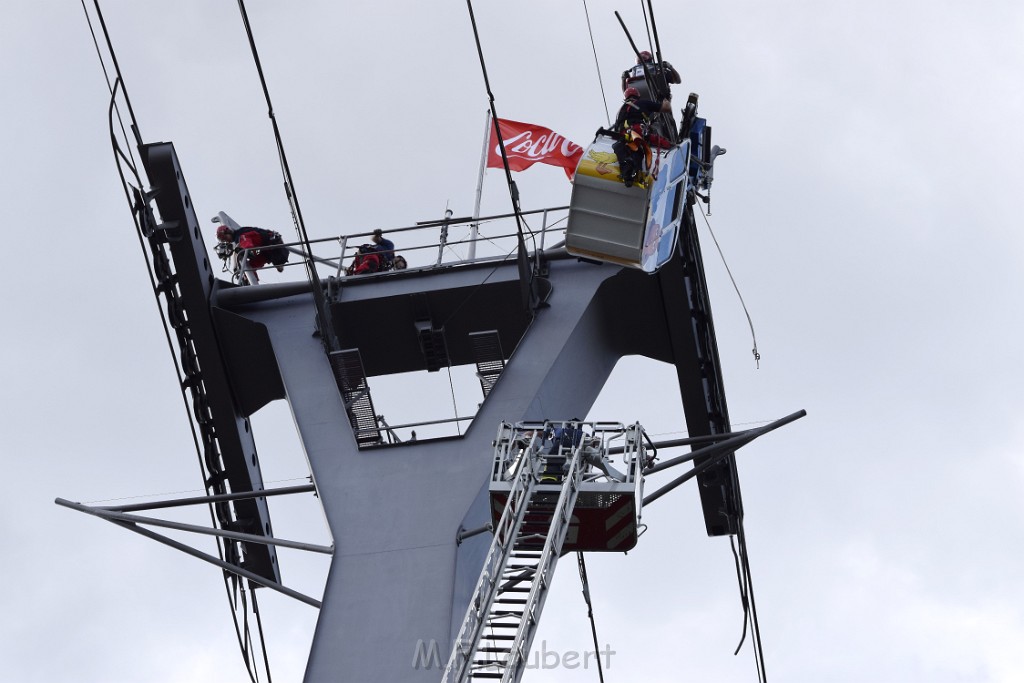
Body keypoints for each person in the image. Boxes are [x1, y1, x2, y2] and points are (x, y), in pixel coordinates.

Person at [612, 87, 672, 188]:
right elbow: (667, 108)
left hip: (623, 135)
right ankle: (635, 171)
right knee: (641, 150)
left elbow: (617, 127)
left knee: (626, 151)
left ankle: (628, 175)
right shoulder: (643, 103)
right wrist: (666, 99)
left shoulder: (621, 109)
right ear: (638, 96)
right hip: (637, 132)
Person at [216, 225, 287, 285]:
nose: (227, 241)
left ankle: (249, 251)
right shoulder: (239, 236)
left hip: (273, 245)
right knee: (249, 265)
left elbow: (247, 242)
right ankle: (251, 281)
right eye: (224, 241)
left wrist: (245, 251)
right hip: (268, 252)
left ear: (228, 232)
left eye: (225, 238)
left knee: (242, 241)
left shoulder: (240, 235)